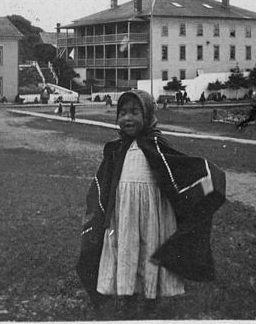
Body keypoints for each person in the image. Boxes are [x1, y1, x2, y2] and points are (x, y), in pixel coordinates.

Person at [76, 90, 226, 318]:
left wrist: (207, 179)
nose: (128, 118)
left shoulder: (156, 145)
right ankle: (127, 293)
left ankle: (150, 296)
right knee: (126, 250)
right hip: (125, 212)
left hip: (152, 213)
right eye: (123, 113)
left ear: (147, 114)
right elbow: (106, 183)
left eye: (135, 112)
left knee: (148, 250)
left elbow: (176, 171)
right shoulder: (117, 150)